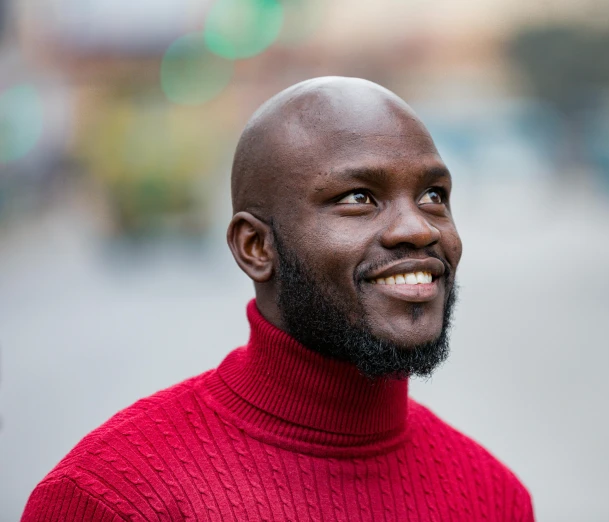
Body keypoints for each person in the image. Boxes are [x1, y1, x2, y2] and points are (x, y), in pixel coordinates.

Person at [22, 77, 534, 521]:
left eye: (433, 196)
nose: (418, 228)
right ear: (256, 247)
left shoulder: (493, 497)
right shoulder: (110, 499)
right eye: (358, 197)